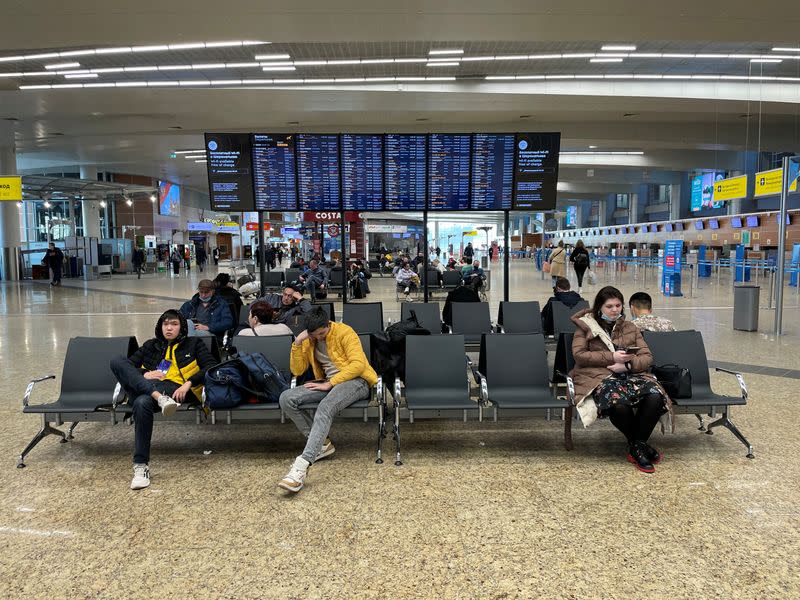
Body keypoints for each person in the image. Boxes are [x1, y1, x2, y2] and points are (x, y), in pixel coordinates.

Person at [110, 310, 216, 489]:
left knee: (141, 400)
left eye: (174, 324)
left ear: (182, 327)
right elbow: (129, 366)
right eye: (165, 324)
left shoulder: (194, 343)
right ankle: (157, 398)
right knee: (117, 361)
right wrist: (145, 373)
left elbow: (211, 366)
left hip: (176, 389)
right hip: (151, 390)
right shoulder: (151, 345)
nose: (169, 328)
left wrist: (189, 383)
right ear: (160, 326)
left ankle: (140, 466)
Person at [570, 286, 672, 474]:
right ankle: (641, 447)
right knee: (617, 403)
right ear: (599, 307)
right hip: (598, 376)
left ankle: (636, 446)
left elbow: (647, 357)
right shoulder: (586, 326)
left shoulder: (630, 327)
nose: (615, 310)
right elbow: (579, 355)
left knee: (655, 396)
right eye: (609, 306)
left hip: (629, 374)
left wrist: (627, 365)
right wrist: (612, 358)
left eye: (618, 305)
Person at [277, 308, 378, 493]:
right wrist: (298, 343)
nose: (320, 338)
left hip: (356, 381)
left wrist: (330, 383)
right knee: (286, 398)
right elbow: (297, 370)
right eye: (315, 335)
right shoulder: (310, 339)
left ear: (328, 324)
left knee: (325, 408)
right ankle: (322, 444)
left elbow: (358, 365)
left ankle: (300, 468)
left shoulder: (344, 331)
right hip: (328, 384)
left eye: (322, 333)